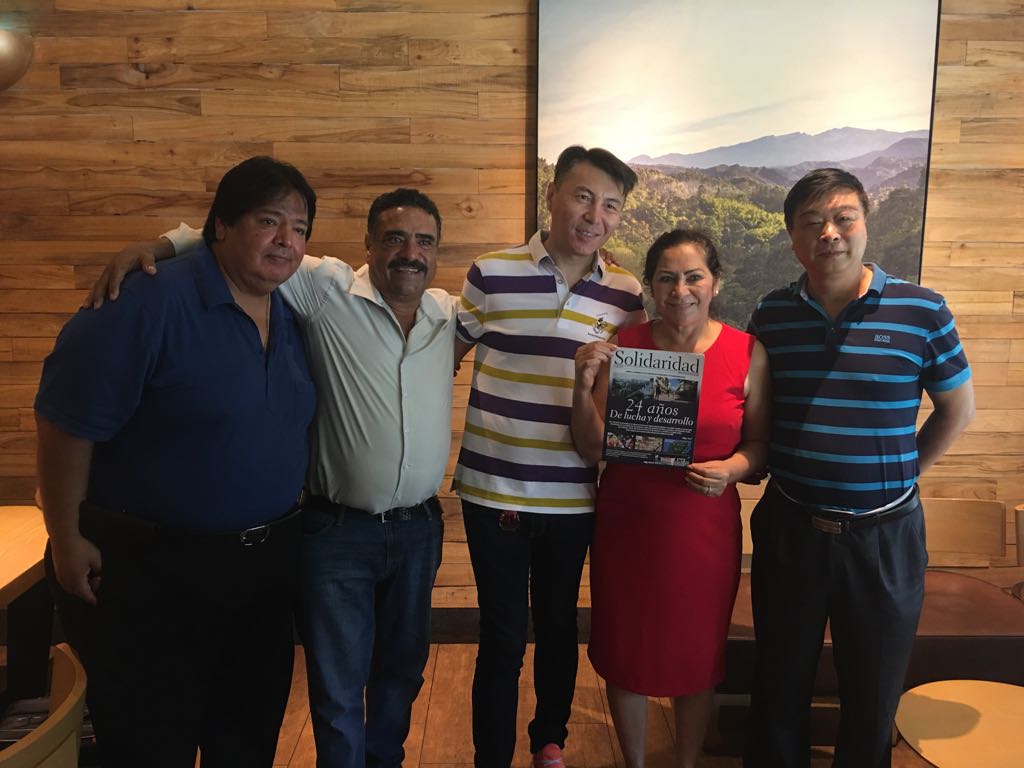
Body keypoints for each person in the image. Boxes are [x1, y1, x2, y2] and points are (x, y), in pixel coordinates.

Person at [85, 188, 456, 768]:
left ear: (437, 252)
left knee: (403, 671)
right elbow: (245, 243)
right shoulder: (327, 289)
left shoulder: (447, 314)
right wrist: (157, 246)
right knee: (337, 682)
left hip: (420, 531)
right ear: (368, 244)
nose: (410, 252)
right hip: (339, 533)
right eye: (395, 238)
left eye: (424, 241)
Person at [36, 156, 318, 767]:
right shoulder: (145, 299)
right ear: (221, 226)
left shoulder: (293, 315)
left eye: (299, 228)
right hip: (152, 573)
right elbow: (64, 422)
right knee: (149, 742)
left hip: (263, 574)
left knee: (246, 738)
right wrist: (64, 535)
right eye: (267, 221)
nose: (286, 240)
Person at [743, 168, 975, 768]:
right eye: (811, 222)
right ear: (793, 239)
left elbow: (957, 409)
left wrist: (902, 475)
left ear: (865, 224)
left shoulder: (922, 310)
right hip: (791, 528)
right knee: (778, 688)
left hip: (884, 538)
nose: (829, 233)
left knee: (872, 699)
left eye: (843, 218)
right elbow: (751, 408)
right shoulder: (771, 314)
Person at [453, 145, 647, 768]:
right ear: (552, 196)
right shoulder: (492, 272)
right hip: (495, 492)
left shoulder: (625, 293)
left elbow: (632, 399)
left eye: (610, 205)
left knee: (560, 626)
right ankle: (491, 755)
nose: (595, 216)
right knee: (502, 634)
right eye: (583, 197)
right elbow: (441, 359)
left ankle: (549, 741)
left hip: (575, 494)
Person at [571, 229, 770, 768]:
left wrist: (732, 468)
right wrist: (581, 386)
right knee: (625, 649)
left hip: (704, 528)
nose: (680, 290)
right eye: (666, 278)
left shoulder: (746, 353)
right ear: (652, 287)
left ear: (715, 283)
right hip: (629, 525)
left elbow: (759, 446)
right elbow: (591, 447)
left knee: (697, 655)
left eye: (693, 276)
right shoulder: (626, 346)